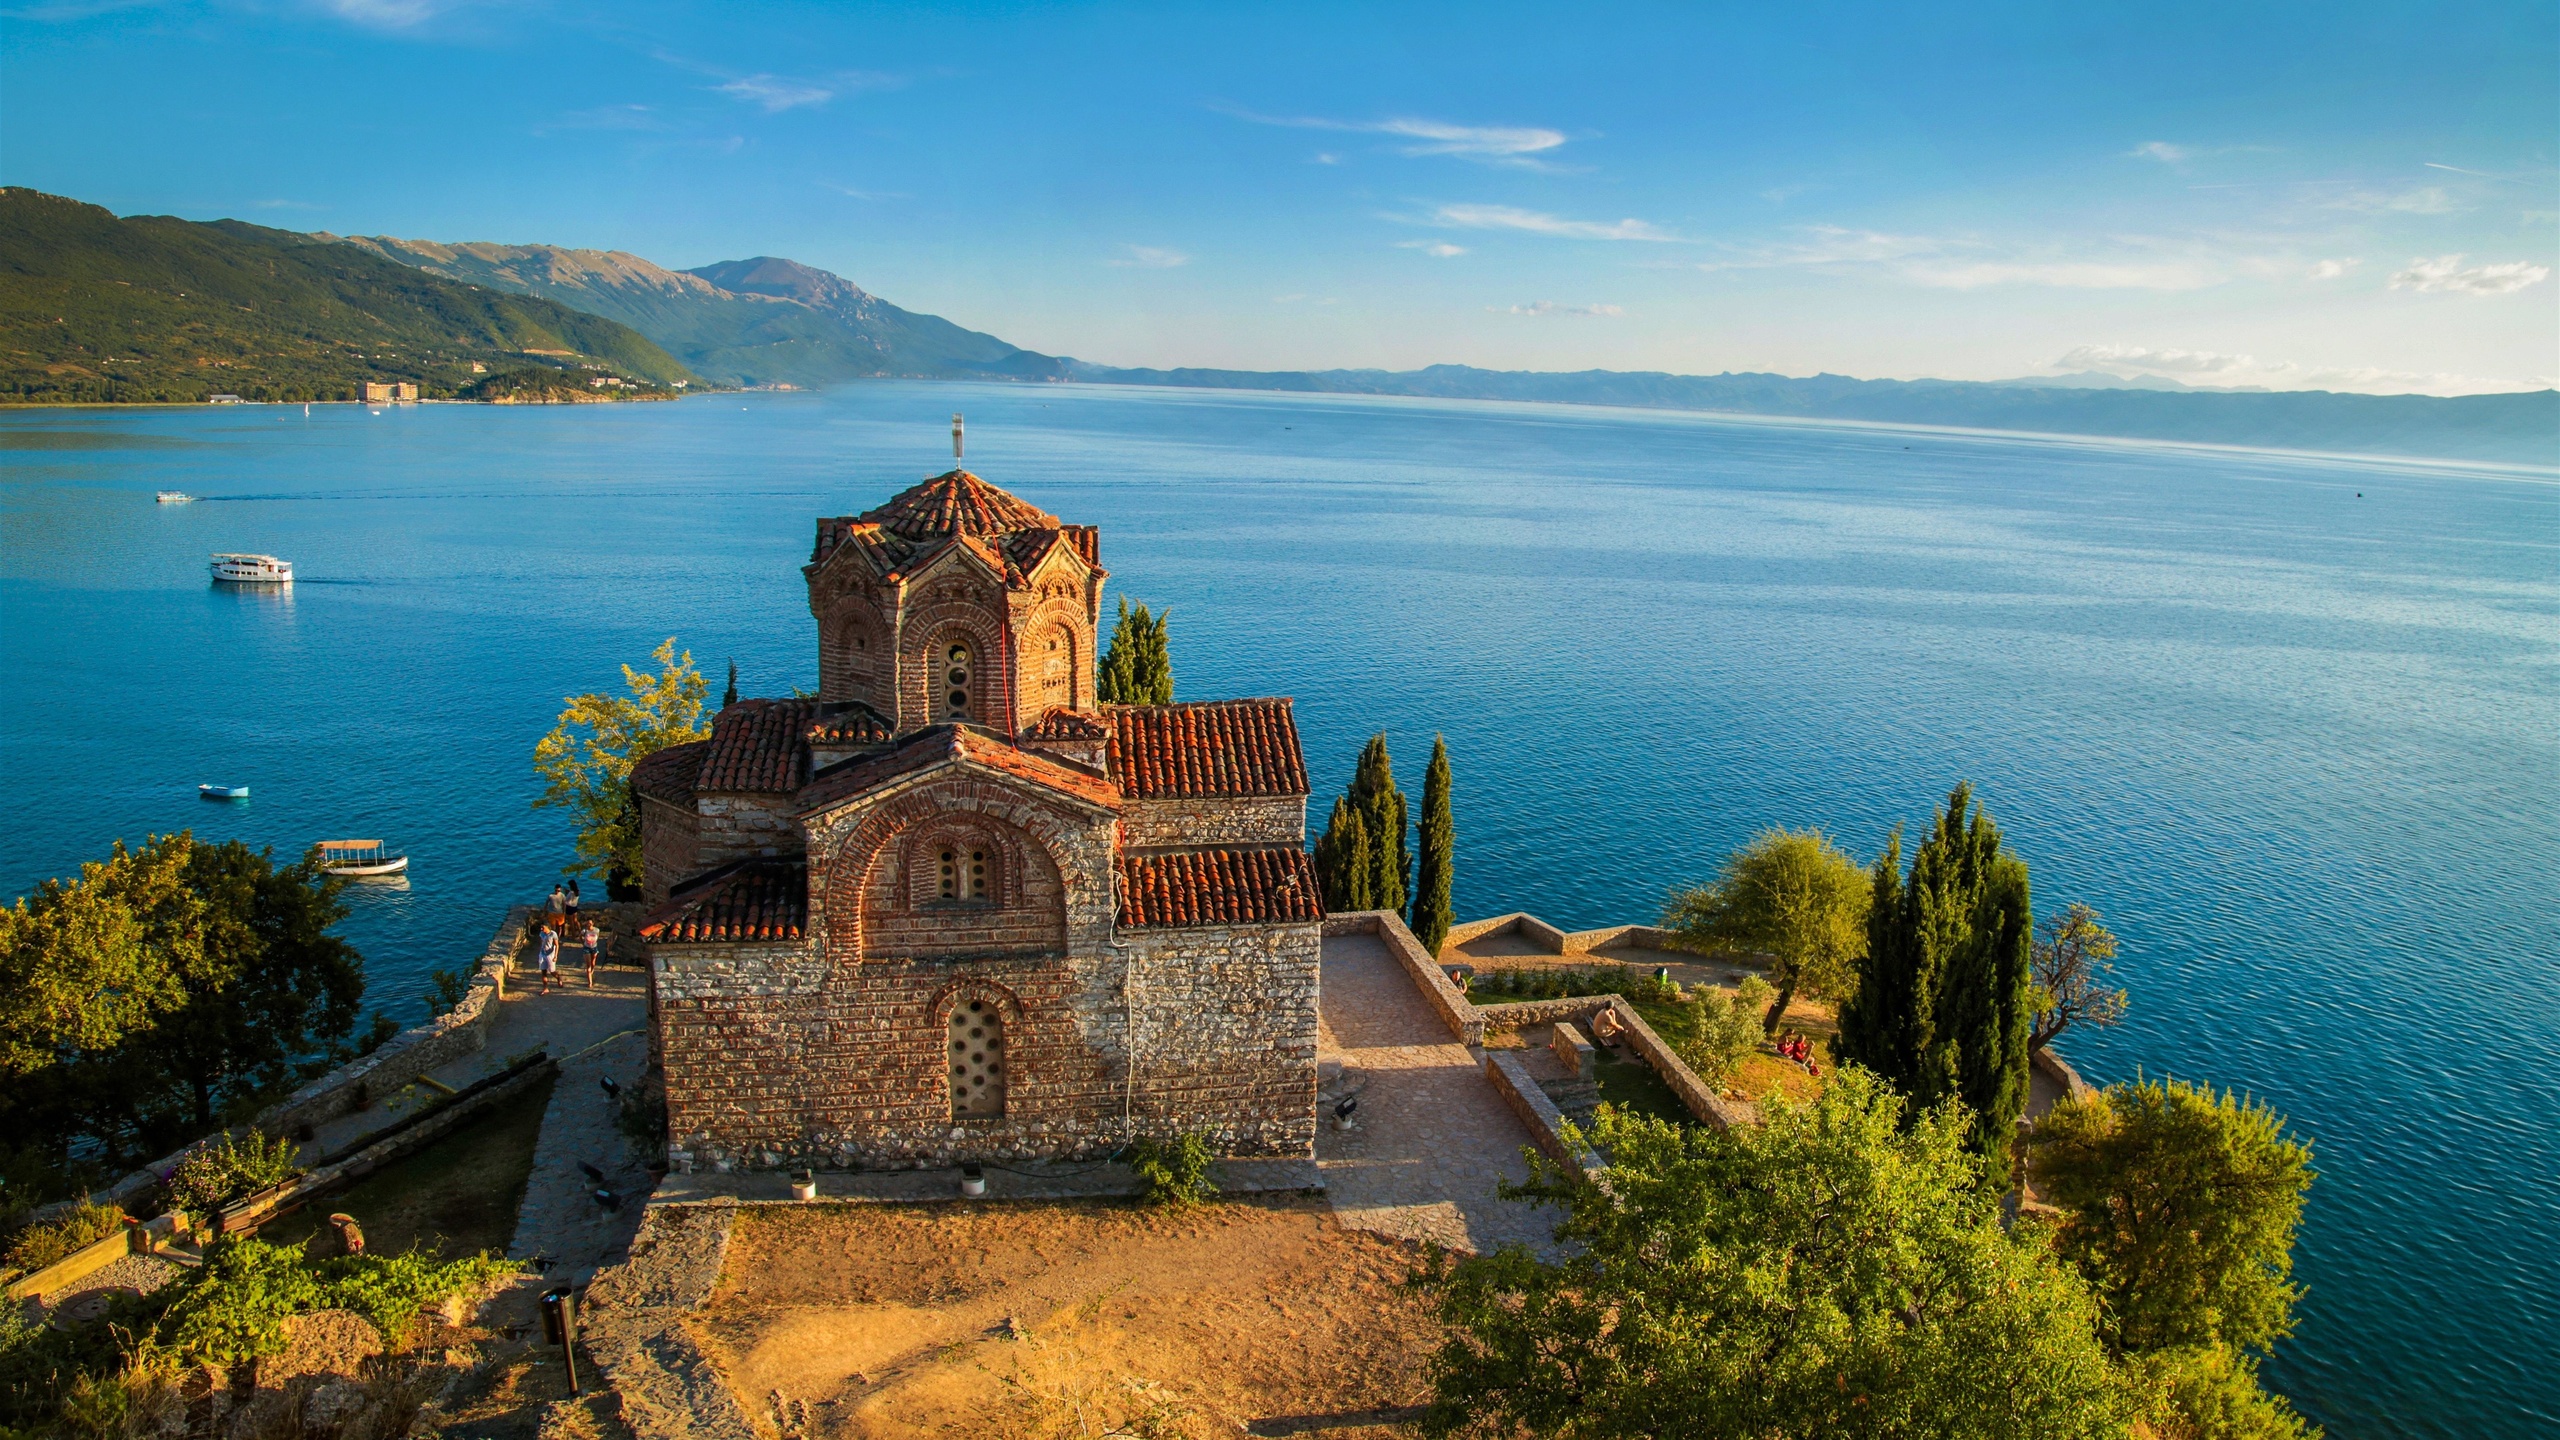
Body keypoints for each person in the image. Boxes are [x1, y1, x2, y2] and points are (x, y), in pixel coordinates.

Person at [535, 921, 560, 994]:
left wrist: (555, 956)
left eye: (543, 927)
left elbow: (557, 945)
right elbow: (541, 943)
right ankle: (545, 988)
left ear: (547, 927)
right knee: (543, 971)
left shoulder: (553, 934)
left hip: (550, 954)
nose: (541, 929)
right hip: (543, 953)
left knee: (552, 971)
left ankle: (558, 978)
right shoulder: (541, 934)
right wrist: (539, 953)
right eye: (541, 927)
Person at [581, 916, 602, 988]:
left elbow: (597, 937)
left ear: (593, 923)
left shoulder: (597, 930)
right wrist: (582, 943)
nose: (588, 925)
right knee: (588, 965)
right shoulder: (584, 931)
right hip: (586, 948)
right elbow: (580, 936)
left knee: (593, 963)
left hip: (594, 948)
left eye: (590, 923)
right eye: (587, 923)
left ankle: (591, 972)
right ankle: (590, 982)